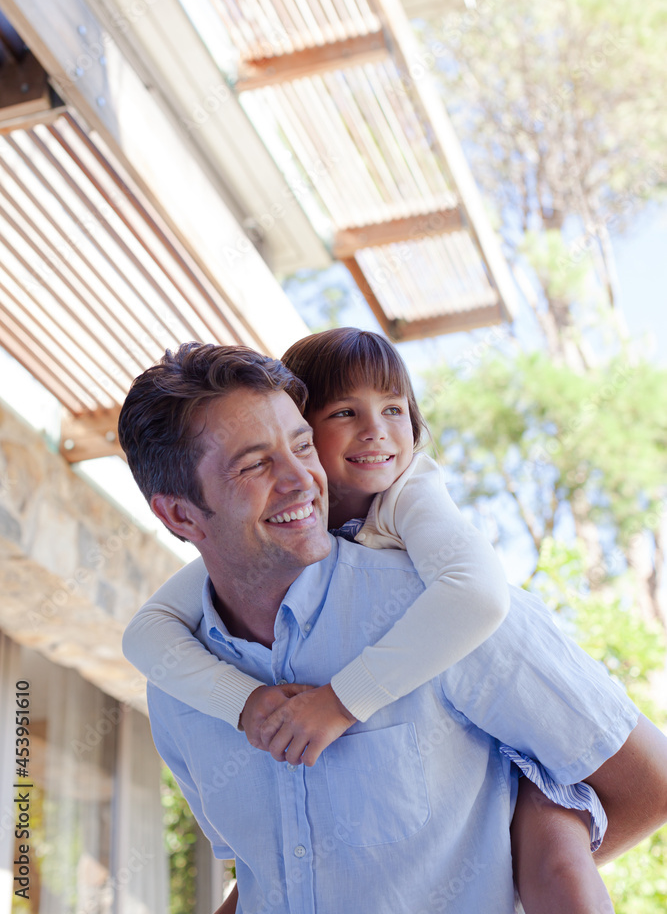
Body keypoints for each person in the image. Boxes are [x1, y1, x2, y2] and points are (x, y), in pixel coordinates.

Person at [119, 339, 667, 914]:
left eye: (302, 445)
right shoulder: (179, 688)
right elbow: (269, 874)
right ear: (179, 515)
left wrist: (538, 863)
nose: (302, 479)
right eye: (255, 464)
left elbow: (649, 786)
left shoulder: (445, 611)